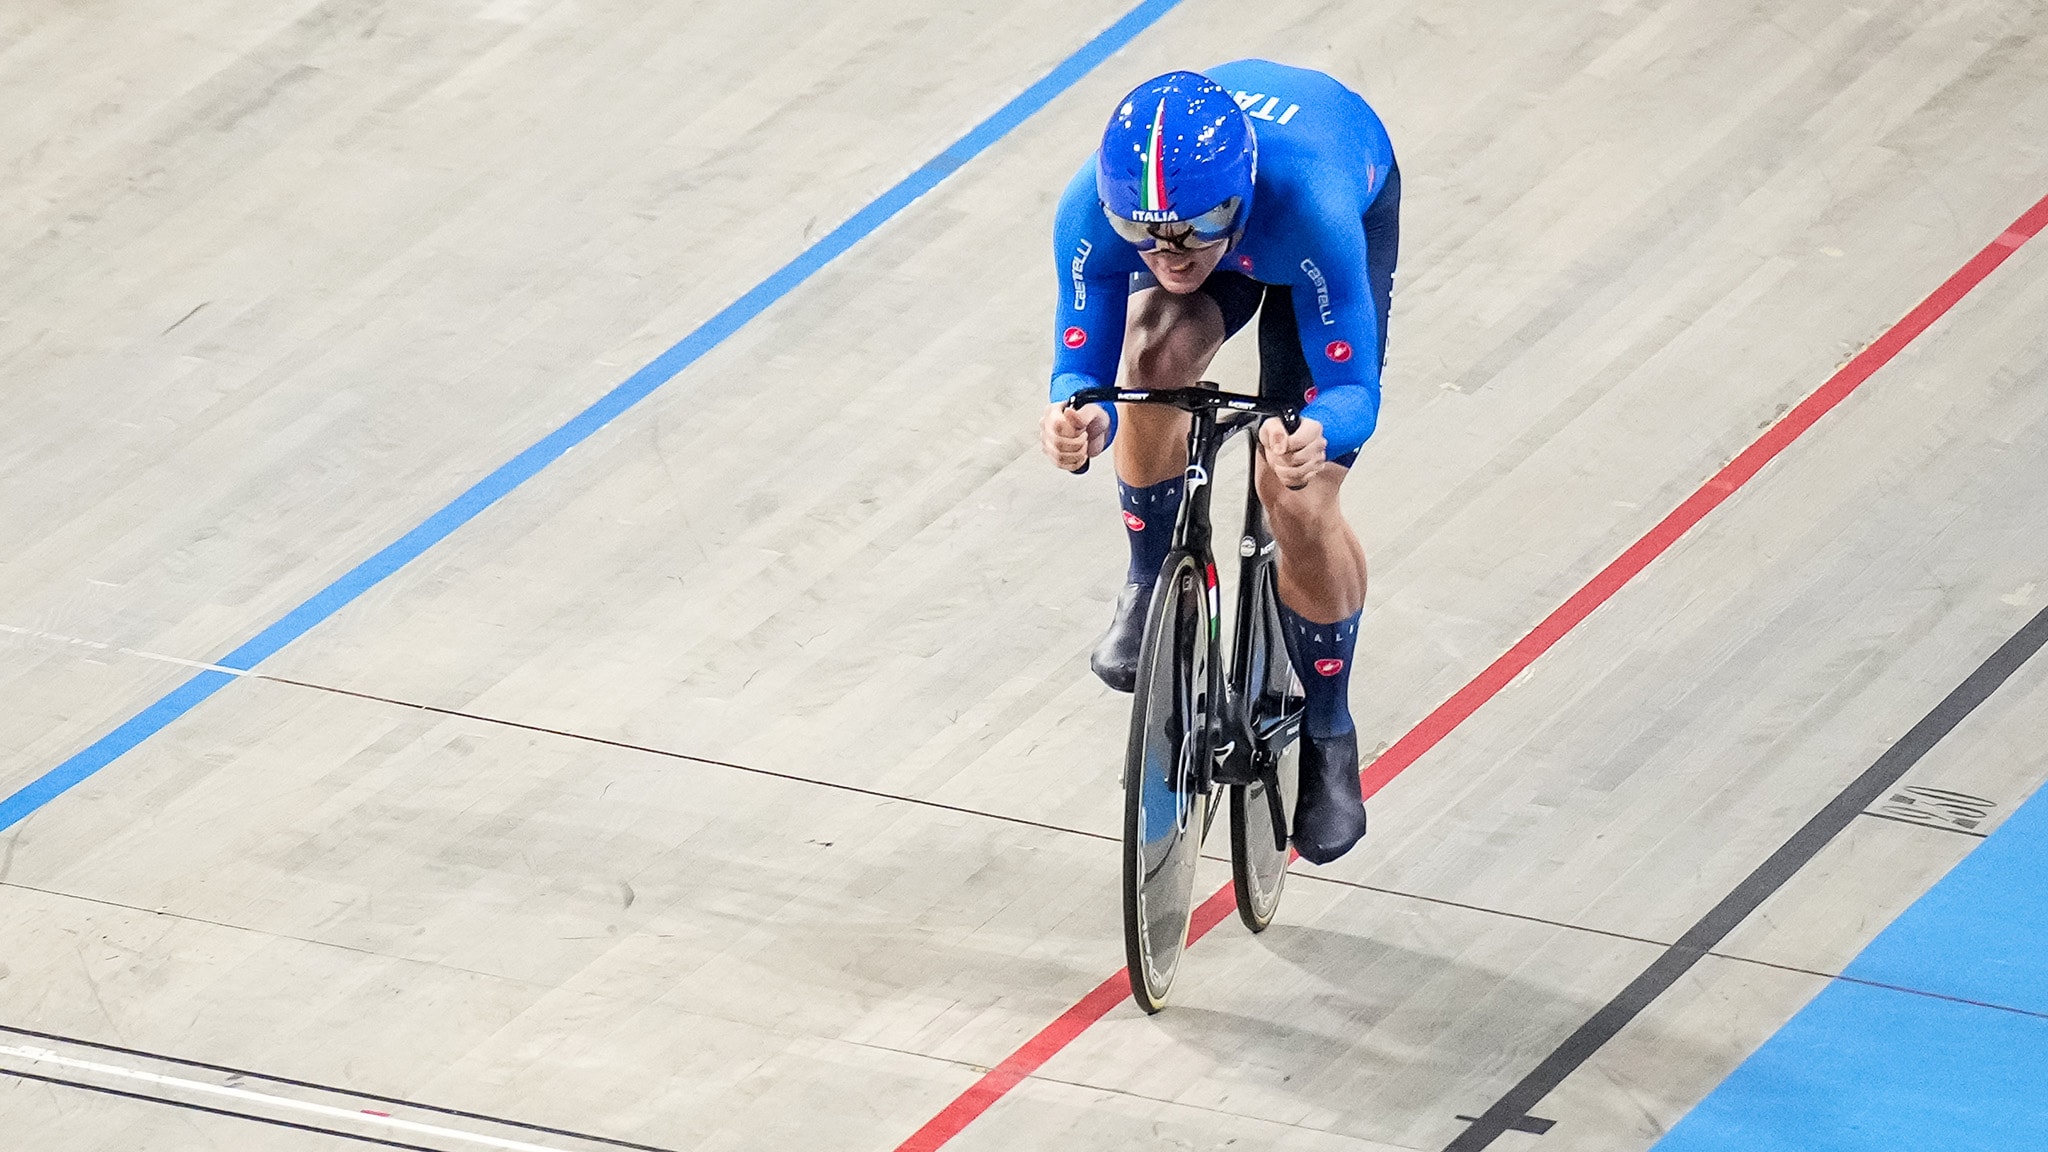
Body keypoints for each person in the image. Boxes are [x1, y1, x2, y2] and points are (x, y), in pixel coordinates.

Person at [1037, 61, 1398, 865]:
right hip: (1245, 235)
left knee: (1296, 495)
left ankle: (1330, 730)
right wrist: (1080, 413)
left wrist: (1320, 434)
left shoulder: (1312, 210)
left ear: (1233, 200)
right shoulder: (1093, 213)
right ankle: (1145, 579)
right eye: (1146, 236)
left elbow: (1351, 387)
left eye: (1193, 230)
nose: (1170, 255)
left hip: (1299, 236)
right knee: (1152, 356)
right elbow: (1084, 368)